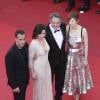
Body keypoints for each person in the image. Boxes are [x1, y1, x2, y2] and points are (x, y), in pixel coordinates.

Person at [63, 12, 94, 100]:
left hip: (80, 56)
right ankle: (72, 89)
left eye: (72, 21)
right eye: (69, 21)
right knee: (71, 75)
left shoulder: (83, 30)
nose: (70, 23)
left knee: (79, 75)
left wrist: (85, 59)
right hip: (70, 56)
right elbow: (64, 42)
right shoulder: (67, 28)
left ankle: (78, 92)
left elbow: (86, 45)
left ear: (77, 21)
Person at [45, 12, 68, 100]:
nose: (55, 25)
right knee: (48, 82)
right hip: (49, 62)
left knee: (60, 81)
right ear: (49, 21)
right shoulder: (45, 31)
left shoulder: (63, 26)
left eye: (57, 23)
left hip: (62, 61)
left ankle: (58, 96)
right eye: (53, 23)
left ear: (60, 21)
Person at [29, 24, 53, 100]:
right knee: (40, 88)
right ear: (37, 33)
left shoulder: (44, 40)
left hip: (47, 67)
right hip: (38, 68)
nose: (44, 35)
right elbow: (30, 60)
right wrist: (32, 72)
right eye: (42, 33)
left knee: (47, 85)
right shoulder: (33, 44)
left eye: (44, 33)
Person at [5, 30, 29, 100]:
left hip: (24, 80)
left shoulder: (26, 46)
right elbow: (9, 72)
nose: (22, 41)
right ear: (15, 39)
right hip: (17, 83)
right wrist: (14, 86)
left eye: (24, 39)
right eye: (20, 39)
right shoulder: (10, 54)